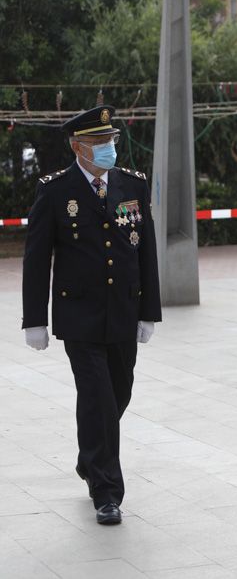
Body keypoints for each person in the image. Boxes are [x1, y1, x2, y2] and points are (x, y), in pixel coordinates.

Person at [21, 105, 162, 525]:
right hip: (79, 315)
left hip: (123, 311)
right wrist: (34, 319)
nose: (108, 149)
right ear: (77, 146)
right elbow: (36, 258)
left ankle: (89, 457)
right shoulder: (55, 190)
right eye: (99, 143)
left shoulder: (131, 184)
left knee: (118, 394)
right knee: (99, 398)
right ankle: (106, 491)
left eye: (111, 141)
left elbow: (145, 251)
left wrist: (148, 310)